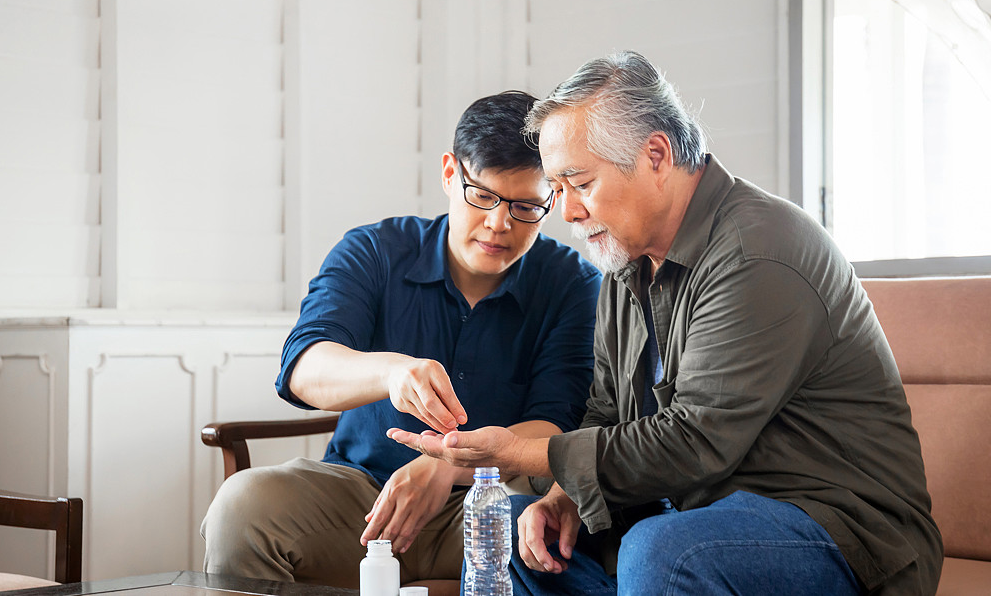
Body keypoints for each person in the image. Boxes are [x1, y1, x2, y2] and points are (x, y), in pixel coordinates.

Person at [389, 52, 943, 595]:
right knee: (513, 531)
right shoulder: (622, 265)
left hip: (835, 530)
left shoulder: (760, 251)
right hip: (686, 515)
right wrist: (562, 497)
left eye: (579, 183)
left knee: (665, 553)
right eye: (556, 190)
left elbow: (694, 442)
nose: (568, 212)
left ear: (655, 155)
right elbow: (605, 412)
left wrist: (511, 452)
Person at [200, 91, 602, 594]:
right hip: (360, 500)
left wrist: (446, 463)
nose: (500, 224)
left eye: (526, 207)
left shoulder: (574, 285)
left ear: (553, 199)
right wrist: (390, 372)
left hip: (495, 503)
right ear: (450, 173)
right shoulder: (374, 251)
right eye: (483, 196)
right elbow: (304, 366)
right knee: (244, 506)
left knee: (544, 535)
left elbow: (555, 424)